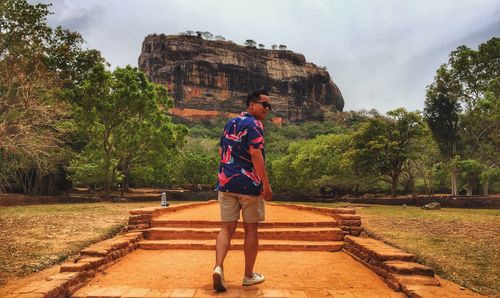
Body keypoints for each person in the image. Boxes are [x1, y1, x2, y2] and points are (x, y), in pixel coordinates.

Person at [213, 90, 273, 292]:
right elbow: (256, 153)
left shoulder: (230, 123)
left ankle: (218, 267)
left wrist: (224, 174)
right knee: (251, 229)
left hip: (227, 183)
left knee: (226, 228)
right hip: (249, 184)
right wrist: (266, 184)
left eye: (268, 106)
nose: (267, 109)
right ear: (251, 104)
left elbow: (222, 151)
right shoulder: (255, 125)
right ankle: (248, 275)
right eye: (264, 104)